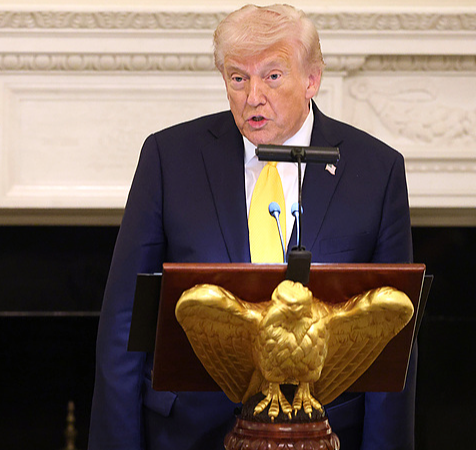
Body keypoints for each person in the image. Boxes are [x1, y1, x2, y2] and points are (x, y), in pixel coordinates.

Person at [88, 4, 415, 450]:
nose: (252, 95)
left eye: (273, 76)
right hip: (187, 432)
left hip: (328, 432)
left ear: (312, 79)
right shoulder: (170, 158)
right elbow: (124, 325)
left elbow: (395, 342)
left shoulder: (376, 169)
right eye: (238, 78)